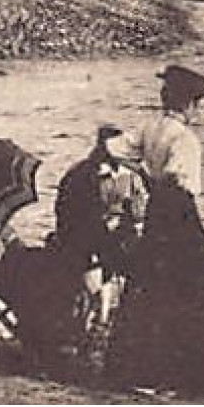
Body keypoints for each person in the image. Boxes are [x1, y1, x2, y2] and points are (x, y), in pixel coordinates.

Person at [105, 65, 204, 393]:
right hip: (180, 216)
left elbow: (113, 148)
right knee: (195, 288)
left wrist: (145, 175)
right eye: (196, 104)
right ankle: (192, 372)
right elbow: (181, 182)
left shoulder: (150, 128)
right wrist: (159, 180)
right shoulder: (185, 139)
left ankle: (139, 368)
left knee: (151, 284)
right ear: (188, 104)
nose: (196, 111)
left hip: (158, 212)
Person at [53, 124, 147, 328]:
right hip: (84, 240)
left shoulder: (123, 175)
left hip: (101, 238)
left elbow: (137, 212)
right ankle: (106, 317)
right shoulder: (87, 176)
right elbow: (83, 219)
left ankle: (107, 315)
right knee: (135, 260)